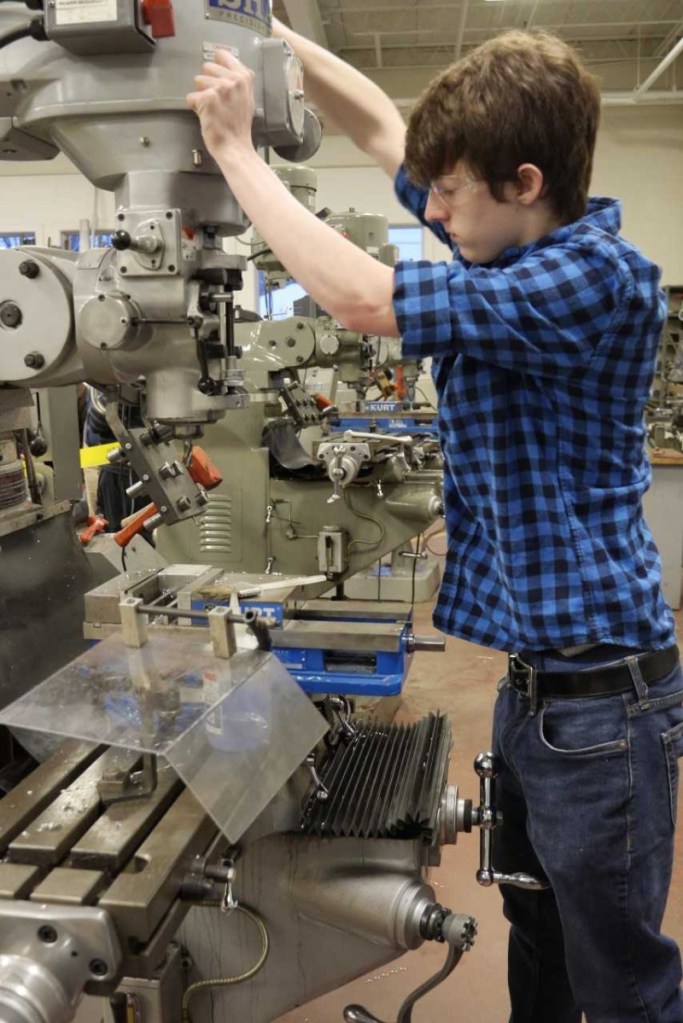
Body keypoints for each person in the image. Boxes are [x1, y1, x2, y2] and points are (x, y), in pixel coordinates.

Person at [187, 25, 683, 1023]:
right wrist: (268, 30)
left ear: (525, 181)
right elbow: (380, 124)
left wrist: (236, 153)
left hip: (601, 707)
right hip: (539, 689)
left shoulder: (594, 279)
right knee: (538, 941)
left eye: (447, 192)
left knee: (619, 980)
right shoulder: (505, 236)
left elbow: (363, 298)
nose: (431, 207)